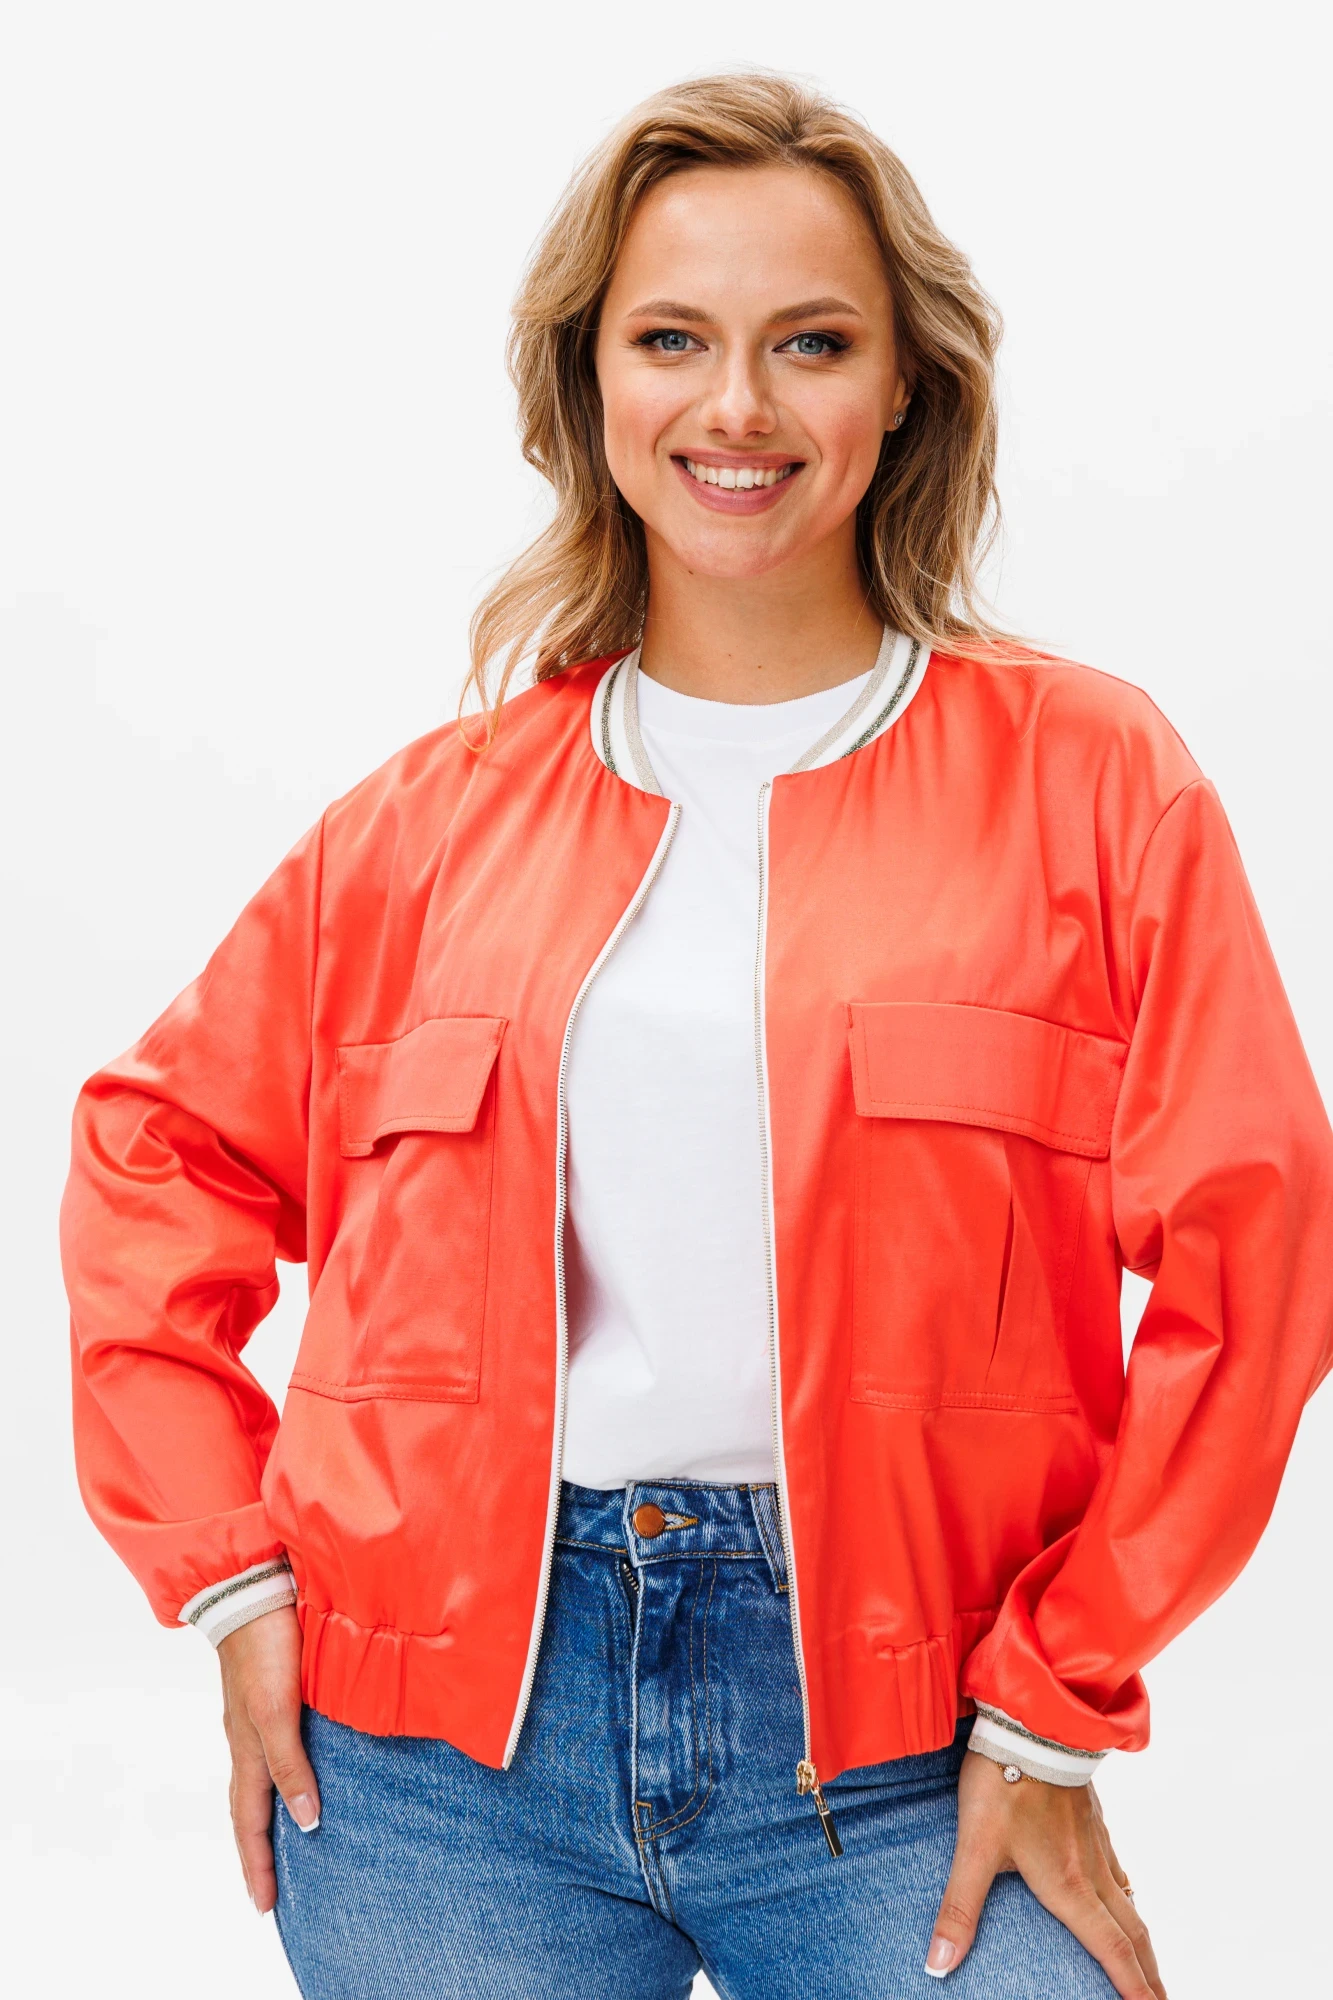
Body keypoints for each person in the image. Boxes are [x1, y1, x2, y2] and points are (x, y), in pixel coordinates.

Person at [61, 72, 1333, 2000]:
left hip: (909, 1750)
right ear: (591, 382)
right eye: (672, 340)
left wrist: (1058, 1699)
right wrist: (233, 1579)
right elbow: (153, 1159)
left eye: (810, 343)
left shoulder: (1090, 780)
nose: (737, 407)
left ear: (905, 387)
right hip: (437, 1765)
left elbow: (1259, 1250)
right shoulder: (423, 827)